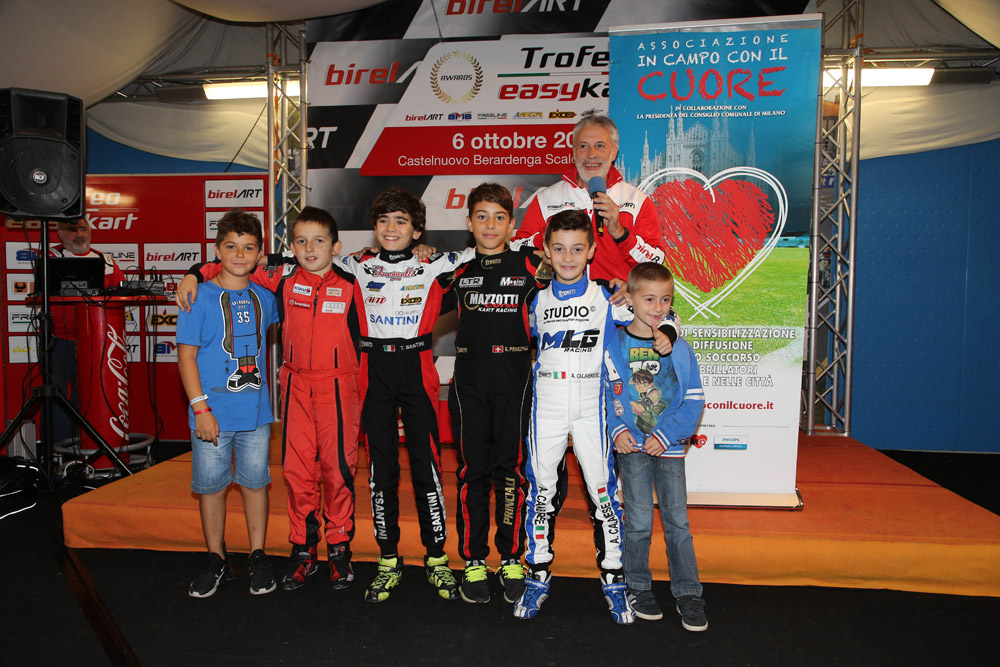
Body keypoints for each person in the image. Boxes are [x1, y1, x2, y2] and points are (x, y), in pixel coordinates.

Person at [176, 207, 361, 592]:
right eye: (301, 241)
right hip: (294, 386)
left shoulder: (355, 281)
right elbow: (231, 262)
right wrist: (193, 273)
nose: (310, 248)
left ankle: (339, 549)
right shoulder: (280, 280)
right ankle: (303, 549)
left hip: (336, 386)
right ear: (290, 247)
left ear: (336, 246)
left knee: (337, 469)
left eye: (319, 241)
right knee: (296, 472)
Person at [515, 209, 675, 624]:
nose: (568, 257)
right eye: (559, 249)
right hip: (547, 403)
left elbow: (664, 315)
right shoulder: (534, 299)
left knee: (602, 491)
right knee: (541, 491)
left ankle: (613, 576)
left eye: (577, 249)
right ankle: (537, 571)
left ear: (590, 251)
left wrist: (667, 334)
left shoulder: (608, 295)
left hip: (591, 404)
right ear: (546, 251)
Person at [336, 187, 474, 603]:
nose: (391, 228)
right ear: (374, 227)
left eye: (401, 221)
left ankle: (437, 558)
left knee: (427, 468)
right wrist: (198, 271)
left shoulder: (433, 263)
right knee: (381, 472)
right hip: (374, 371)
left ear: (417, 231)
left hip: (416, 369)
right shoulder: (357, 265)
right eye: (383, 220)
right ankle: (388, 560)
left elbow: (494, 250)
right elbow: (291, 260)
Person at [444, 183, 542, 604]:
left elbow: (577, 280)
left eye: (499, 217)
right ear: (469, 223)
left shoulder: (533, 265)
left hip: (515, 381)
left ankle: (512, 557)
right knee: (473, 472)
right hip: (469, 383)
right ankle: (473, 559)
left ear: (511, 224)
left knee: (512, 472)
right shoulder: (455, 271)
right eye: (481, 216)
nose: (489, 225)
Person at [176, 209, 279, 598]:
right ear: (217, 250)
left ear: (259, 254)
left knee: (255, 485)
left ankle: (257, 554)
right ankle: (215, 557)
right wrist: (200, 409)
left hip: (255, 416)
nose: (239, 254)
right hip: (211, 417)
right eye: (231, 246)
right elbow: (186, 358)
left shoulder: (266, 298)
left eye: (249, 248)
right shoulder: (197, 296)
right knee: (212, 489)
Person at [604, 262, 708, 631]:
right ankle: (637, 587)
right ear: (629, 299)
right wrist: (617, 429)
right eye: (649, 299)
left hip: (670, 449)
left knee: (678, 523)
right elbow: (604, 394)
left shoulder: (679, 347)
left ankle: (688, 592)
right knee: (638, 524)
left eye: (665, 300)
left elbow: (694, 399)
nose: (658, 307)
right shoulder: (613, 345)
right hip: (632, 450)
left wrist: (666, 436)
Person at [511, 112, 665, 282]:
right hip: (561, 297)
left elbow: (655, 263)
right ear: (574, 153)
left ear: (614, 152)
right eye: (583, 146)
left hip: (616, 298)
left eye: (600, 146)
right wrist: (547, 236)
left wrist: (620, 233)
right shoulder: (547, 198)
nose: (591, 154)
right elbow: (515, 249)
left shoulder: (637, 200)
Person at [48, 218, 125, 443]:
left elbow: (122, 290)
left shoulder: (104, 259)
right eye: (72, 230)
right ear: (60, 234)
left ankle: (86, 444)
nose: (79, 234)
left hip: (96, 341)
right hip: (58, 339)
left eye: (83, 229)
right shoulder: (51, 257)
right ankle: (58, 449)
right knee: (56, 394)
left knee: (89, 394)